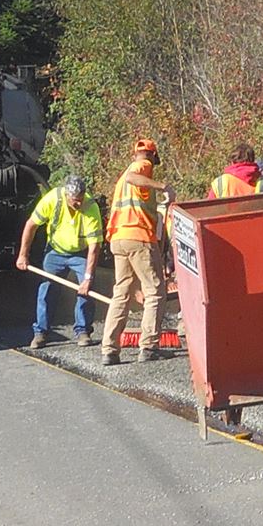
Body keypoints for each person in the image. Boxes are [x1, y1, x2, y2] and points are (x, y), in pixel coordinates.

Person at [16, 172, 103, 349]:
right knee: (47, 289)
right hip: (55, 251)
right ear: (66, 195)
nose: (78, 203)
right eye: (75, 200)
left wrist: (87, 278)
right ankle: (41, 332)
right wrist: (23, 254)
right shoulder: (53, 199)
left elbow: (94, 247)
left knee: (86, 290)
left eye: (80, 199)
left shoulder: (90, 207)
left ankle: (83, 331)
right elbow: (31, 225)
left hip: (80, 252)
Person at [101, 139, 167, 364]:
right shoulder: (142, 166)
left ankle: (109, 349)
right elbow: (134, 176)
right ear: (152, 156)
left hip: (119, 238)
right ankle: (148, 347)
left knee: (122, 292)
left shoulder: (121, 180)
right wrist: (163, 186)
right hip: (138, 237)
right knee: (155, 290)